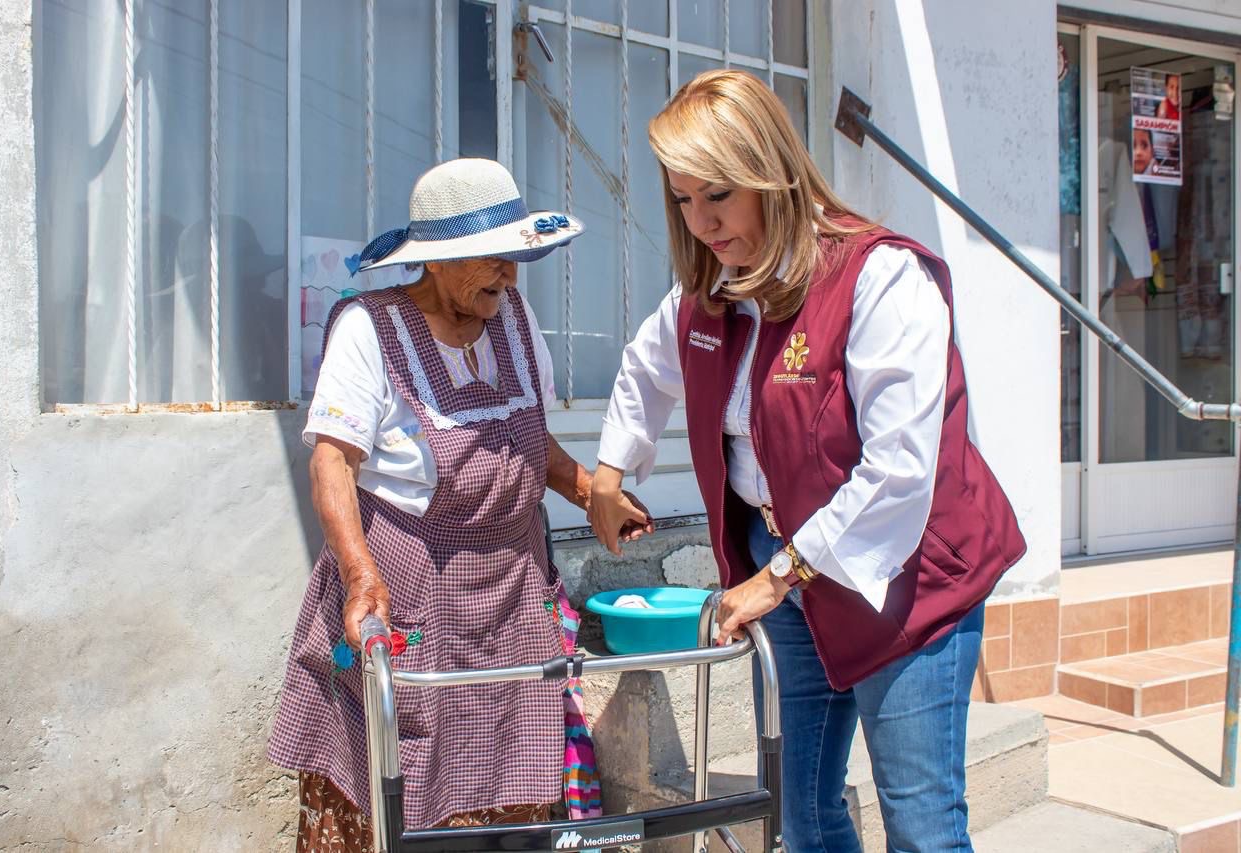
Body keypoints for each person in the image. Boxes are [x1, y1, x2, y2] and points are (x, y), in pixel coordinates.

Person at [588, 70, 1025, 852]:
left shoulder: (880, 278)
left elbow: (897, 469)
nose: (702, 221)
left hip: (908, 579)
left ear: (770, 172)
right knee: (803, 816)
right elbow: (646, 369)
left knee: (921, 826)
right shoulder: (708, 293)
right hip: (786, 568)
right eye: (683, 199)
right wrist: (609, 475)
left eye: (718, 194)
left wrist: (776, 576)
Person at [269, 158, 651, 849]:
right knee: (399, 783)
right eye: (493, 258)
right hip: (410, 594)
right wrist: (359, 576)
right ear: (438, 259)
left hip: (512, 596)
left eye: (515, 257)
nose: (510, 276)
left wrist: (592, 492)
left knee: (514, 775)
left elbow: (527, 441)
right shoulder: (369, 330)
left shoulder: (513, 320)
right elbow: (332, 462)